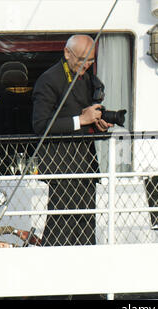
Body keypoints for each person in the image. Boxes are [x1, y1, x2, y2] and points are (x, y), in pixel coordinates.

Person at [31, 34, 113, 246]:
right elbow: (40, 125)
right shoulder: (49, 80)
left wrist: (98, 123)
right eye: (82, 60)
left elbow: (85, 116)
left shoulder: (86, 78)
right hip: (61, 164)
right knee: (61, 225)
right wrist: (81, 119)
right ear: (67, 53)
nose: (86, 66)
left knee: (86, 224)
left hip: (85, 163)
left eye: (91, 61)